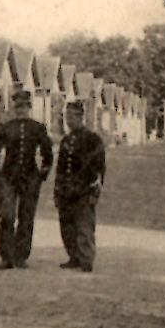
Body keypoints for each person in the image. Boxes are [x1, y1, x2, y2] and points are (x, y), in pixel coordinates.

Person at [0, 90, 54, 269]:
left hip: (30, 178)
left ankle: (21, 256)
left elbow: (47, 152)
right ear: (14, 107)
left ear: (29, 107)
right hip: (8, 177)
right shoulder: (6, 128)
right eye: (18, 106)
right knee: (7, 216)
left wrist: (42, 174)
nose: (21, 110)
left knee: (26, 217)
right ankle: (6, 257)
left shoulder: (37, 128)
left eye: (24, 106)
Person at [53, 99, 106, 272]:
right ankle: (73, 257)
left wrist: (95, 191)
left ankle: (86, 259)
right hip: (66, 190)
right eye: (67, 116)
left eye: (73, 116)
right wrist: (57, 190)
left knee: (84, 225)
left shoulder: (92, 139)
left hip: (84, 189)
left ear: (81, 117)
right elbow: (60, 168)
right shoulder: (66, 141)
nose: (69, 120)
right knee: (67, 225)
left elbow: (99, 168)